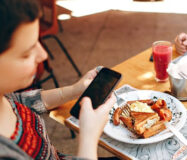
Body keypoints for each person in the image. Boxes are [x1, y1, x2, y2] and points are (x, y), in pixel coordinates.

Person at [0, 0, 116, 159]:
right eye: (26, 53)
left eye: (38, 42)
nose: (43, 55)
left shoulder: (4, 96)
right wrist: (89, 138)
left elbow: (23, 101)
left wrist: (74, 90)